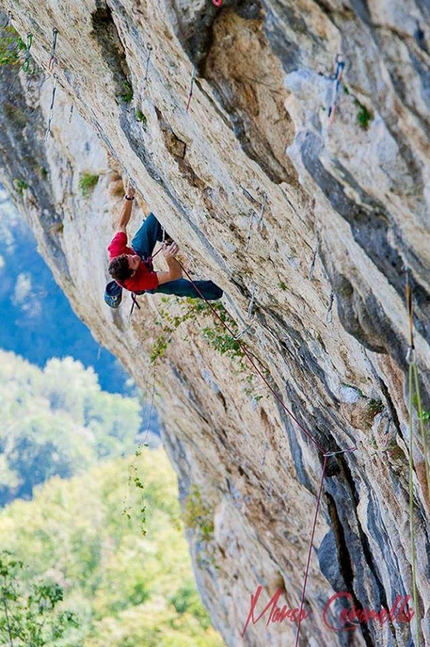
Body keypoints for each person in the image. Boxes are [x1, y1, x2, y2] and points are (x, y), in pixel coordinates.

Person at [107, 186, 223, 300]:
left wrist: (129, 197)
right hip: (145, 277)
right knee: (182, 286)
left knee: (153, 221)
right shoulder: (139, 282)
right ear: (132, 273)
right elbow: (174, 275)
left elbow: (121, 225)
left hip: (139, 251)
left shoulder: (116, 251)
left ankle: (165, 235)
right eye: (133, 261)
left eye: (129, 256)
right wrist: (169, 258)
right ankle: (217, 290)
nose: (134, 257)